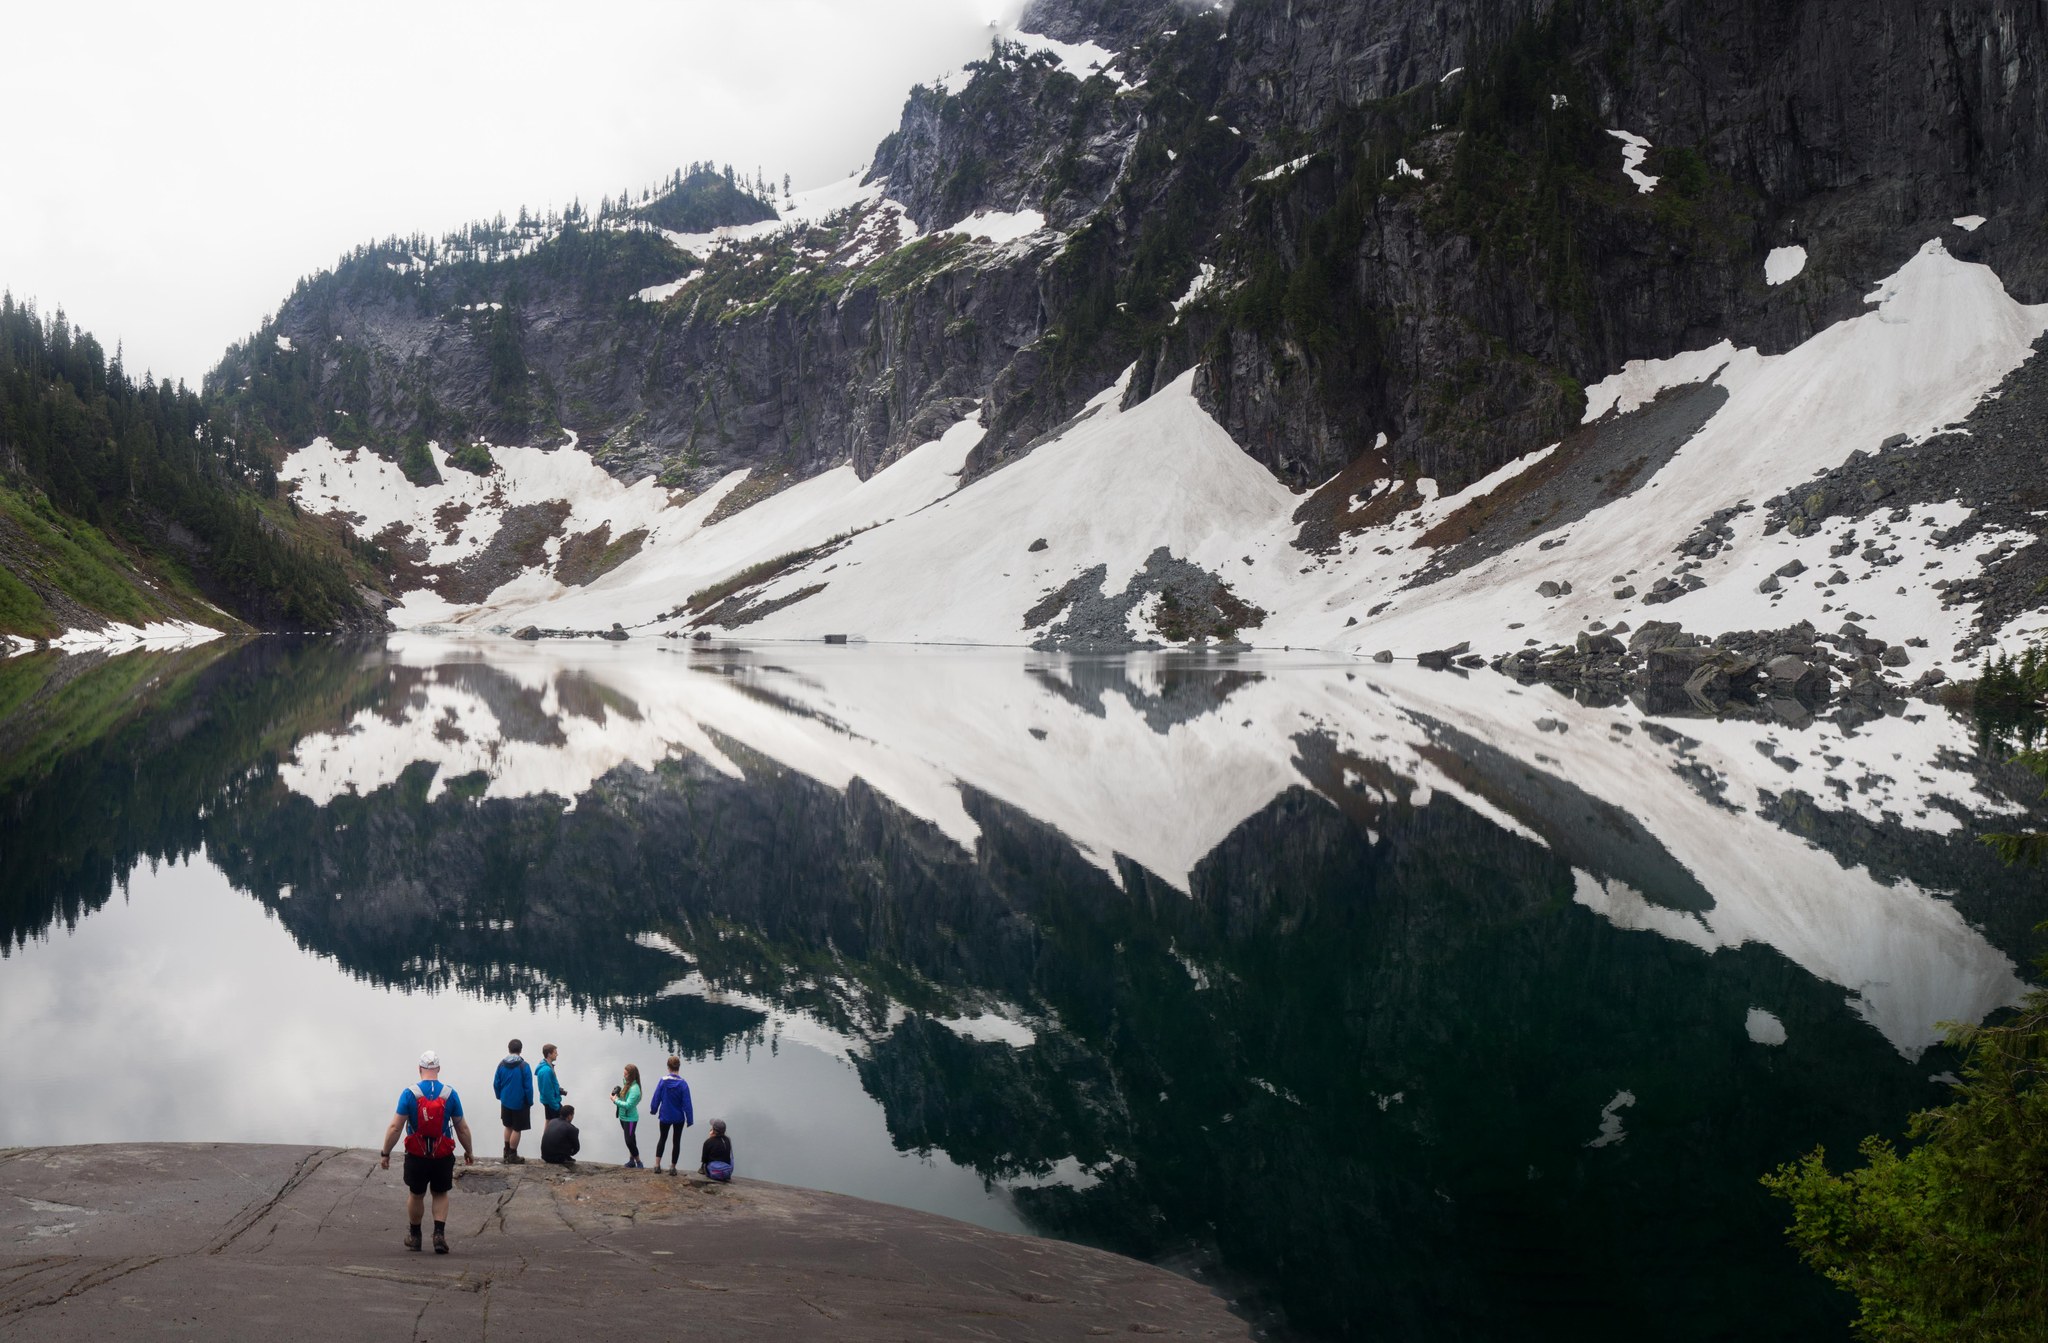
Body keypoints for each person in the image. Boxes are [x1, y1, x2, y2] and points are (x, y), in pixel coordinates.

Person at [379, 1049, 475, 1254]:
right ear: (438, 1069)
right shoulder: (450, 1094)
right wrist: (469, 1151)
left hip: (417, 1155)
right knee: (440, 1193)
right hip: (442, 1154)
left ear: (419, 1069)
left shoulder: (409, 1093)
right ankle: (439, 1235)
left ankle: (415, 1237)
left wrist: (385, 1152)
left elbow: (395, 1127)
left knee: (416, 1194)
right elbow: (462, 1128)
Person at [493, 1038, 535, 1164]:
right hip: (519, 1103)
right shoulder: (524, 1066)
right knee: (517, 1129)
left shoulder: (501, 1064)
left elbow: (496, 1083)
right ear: (520, 1050)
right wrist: (530, 1101)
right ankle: (512, 1155)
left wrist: (500, 1096)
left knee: (508, 1126)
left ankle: (506, 1152)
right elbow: (528, 1087)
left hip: (505, 1101)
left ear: (509, 1049)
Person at [611, 1063, 644, 1168]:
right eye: (623, 1073)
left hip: (630, 1120)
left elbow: (629, 1105)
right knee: (632, 1139)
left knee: (629, 1141)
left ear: (631, 1075)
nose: (623, 1076)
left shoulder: (635, 1089)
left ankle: (638, 1162)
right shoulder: (626, 1083)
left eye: (625, 1074)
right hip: (623, 1117)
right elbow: (624, 1099)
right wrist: (617, 1095)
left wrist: (615, 1100)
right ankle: (631, 1161)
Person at [536, 1044, 566, 1122]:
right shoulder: (546, 1070)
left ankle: (545, 1135)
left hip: (549, 1101)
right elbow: (546, 1090)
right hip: (552, 1102)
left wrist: (558, 1089)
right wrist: (556, 1106)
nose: (557, 1054)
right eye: (555, 1053)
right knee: (561, 1122)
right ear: (549, 1054)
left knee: (549, 1121)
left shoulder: (548, 1065)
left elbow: (550, 1085)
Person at [699, 1118, 733, 1182]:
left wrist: (710, 1138)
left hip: (714, 1173)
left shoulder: (708, 1142)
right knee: (731, 1155)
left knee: (706, 1163)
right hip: (726, 1173)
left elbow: (704, 1159)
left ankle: (702, 1170)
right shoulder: (728, 1140)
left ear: (713, 1130)